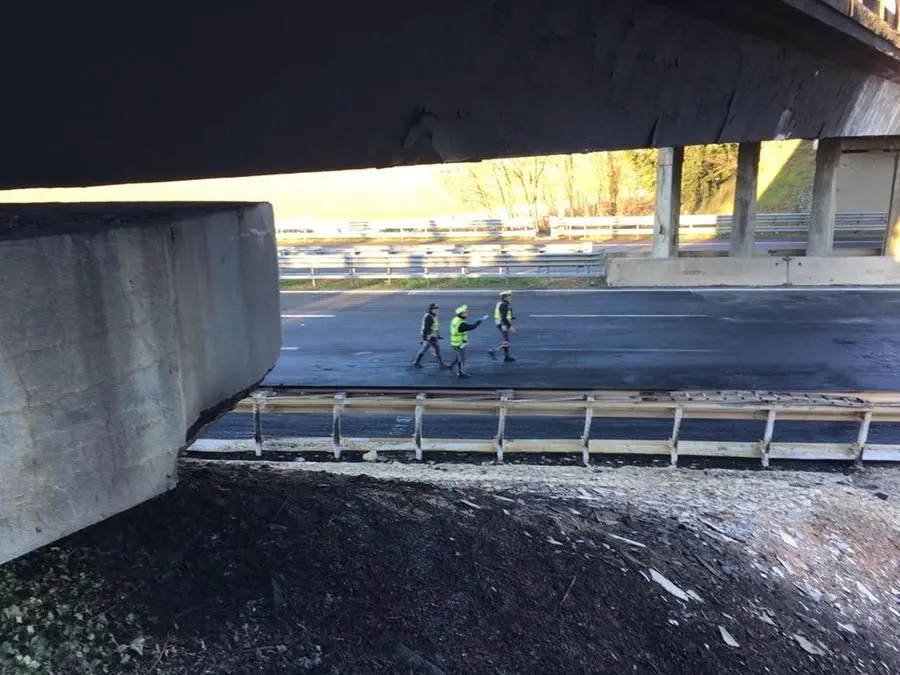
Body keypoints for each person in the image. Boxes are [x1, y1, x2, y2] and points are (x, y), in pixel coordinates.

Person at [448, 305, 489, 378]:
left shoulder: (455, 319)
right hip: (459, 343)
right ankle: (460, 372)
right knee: (462, 358)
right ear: (462, 313)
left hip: (454, 342)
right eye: (466, 312)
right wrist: (480, 321)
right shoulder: (461, 324)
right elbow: (472, 327)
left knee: (459, 355)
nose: (467, 313)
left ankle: (452, 364)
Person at [412, 303, 449, 369]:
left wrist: (438, 335)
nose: (437, 310)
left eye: (437, 308)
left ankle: (416, 362)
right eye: (435, 309)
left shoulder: (434, 316)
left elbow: (435, 327)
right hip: (429, 336)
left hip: (431, 335)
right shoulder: (429, 317)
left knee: (424, 349)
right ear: (431, 310)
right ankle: (441, 364)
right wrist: (426, 338)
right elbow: (426, 328)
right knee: (436, 349)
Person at [488, 290, 516, 363]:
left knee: (506, 340)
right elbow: (503, 317)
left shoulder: (502, 303)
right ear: (505, 297)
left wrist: (511, 317)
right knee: (506, 340)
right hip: (502, 324)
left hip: (501, 323)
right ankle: (494, 351)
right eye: (509, 296)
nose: (511, 297)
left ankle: (506, 356)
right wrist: (510, 326)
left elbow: (504, 315)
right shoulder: (503, 305)